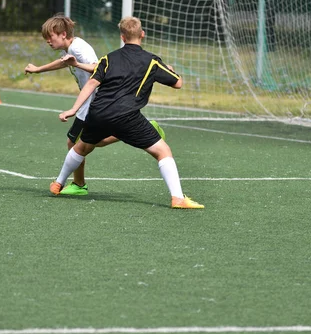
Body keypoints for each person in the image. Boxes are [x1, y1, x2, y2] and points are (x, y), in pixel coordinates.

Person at [50, 16, 204, 209]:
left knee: (80, 147)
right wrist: (170, 70)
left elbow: (91, 83)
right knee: (163, 151)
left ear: (122, 37)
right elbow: (178, 83)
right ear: (142, 35)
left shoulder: (108, 58)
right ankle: (178, 198)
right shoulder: (152, 61)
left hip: (98, 112)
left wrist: (73, 109)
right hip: (127, 116)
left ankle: (58, 183)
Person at [25, 14, 165, 196]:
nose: (47, 41)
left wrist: (76, 65)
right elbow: (63, 63)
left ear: (63, 34)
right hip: (92, 102)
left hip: (96, 101)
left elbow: (98, 67)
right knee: (83, 143)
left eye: (50, 37)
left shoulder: (79, 48)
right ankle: (79, 183)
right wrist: (38, 69)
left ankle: (79, 184)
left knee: (77, 143)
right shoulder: (70, 47)